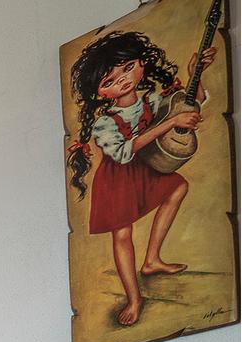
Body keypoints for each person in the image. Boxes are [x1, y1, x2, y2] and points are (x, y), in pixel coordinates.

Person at [67, 29, 217, 326]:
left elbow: (190, 104)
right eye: (110, 81)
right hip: (118, 180)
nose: (123, 79)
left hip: (145, 167)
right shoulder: (105, 124)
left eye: (127, 68)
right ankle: (134, 299)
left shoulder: (152, 100)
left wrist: (195, 75)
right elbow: (124, 152)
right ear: (100, 93)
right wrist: (169, 124)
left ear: (141, 63)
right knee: (122, 235)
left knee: (178, 187)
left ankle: (151, 260)